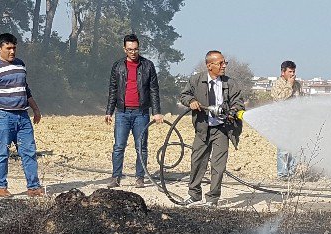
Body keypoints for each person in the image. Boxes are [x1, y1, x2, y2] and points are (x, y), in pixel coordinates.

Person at [0, 33, 44, 198]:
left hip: (23, 117)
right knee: (2, 152)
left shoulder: (21, 65)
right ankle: (1, 187)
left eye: (14, 48)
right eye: (8, 48)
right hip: (2, 116)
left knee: (29, 152)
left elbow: (26, 90)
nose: (12, 51)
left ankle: (33, 187)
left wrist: (36, 109)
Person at [179, 50, 245, 207]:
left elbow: (239, 102)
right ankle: (194, 195)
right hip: (202, 128)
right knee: (197, 161)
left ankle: (212, 199)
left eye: (224, 63)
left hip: (222, 129)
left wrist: (232, 111)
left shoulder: (230, 83)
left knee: (218, 165)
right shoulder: (196, 80)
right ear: (209, 65)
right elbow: (184, 96)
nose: (224, 66)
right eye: (220, 63)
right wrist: (191, 101)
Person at [105, 33, 164, 189]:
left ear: (139, 48)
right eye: (130, 49)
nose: (133, 52)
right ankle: (116, 177)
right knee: (119, 146)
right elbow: (113, 89)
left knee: (141, 147)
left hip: (141, 113)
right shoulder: (117, 66)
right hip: (122, 113)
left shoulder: (148, 65)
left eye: (136, 49)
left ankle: (140, 177)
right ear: (124, 49)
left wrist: (156, 112)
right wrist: (109, 111)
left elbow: (154, 90)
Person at [270, 60, 302, 180]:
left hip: (295, 121)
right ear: (283, 72)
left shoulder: (297, 85)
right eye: (290, 71)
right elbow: (280, 98)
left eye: (293, 71)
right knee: (283, 150)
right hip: (282, 122)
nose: (292, 74)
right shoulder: (277, 84)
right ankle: (282, 174)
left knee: (294, 150)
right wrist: (289, 85)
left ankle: (292, 173)